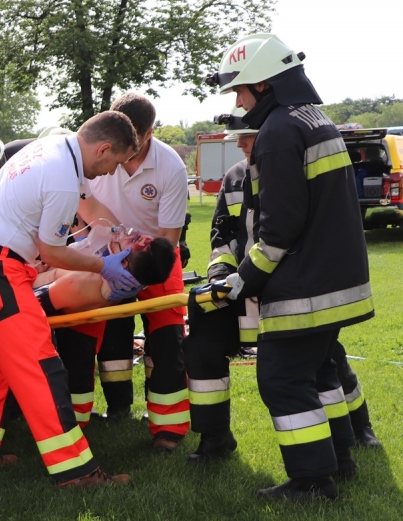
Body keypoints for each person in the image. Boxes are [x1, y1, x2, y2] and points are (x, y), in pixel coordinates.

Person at [204, 33, 375, 500]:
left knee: (280, 379)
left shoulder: (278, 133)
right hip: (333, 279)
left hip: (305, 286)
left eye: (241, 89)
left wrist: (246, 278)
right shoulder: (313, 119)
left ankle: (313, 481)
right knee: (317, 374)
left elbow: (279, 229)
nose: (238, 101)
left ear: (266, 84)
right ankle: (339, 464)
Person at [0, 110, 140, 488]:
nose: (110, 172)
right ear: (103, 148)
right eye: (115, 163)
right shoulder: (63, 178)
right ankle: (77, 473)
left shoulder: (46, 149)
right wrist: (103, 267)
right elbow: (52, 252)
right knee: (43, 370)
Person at [183, 109, 381, 465]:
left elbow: (293, 236)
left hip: (290, 292)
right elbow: (222, 236)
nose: (240, 144)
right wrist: (221, 278)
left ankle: (356, 429)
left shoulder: (292, 170)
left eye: (248, 135)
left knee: (328, 358)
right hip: (242, 290)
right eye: (238, 138)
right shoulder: (233, 179)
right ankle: (214, 438)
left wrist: (260, 279)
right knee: (200, 346)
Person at [67, 93, 191, 452]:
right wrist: (112, 244)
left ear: (149, 133)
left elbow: (168, 239)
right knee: (80, 329)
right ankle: (80, 420)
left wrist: (140, 262)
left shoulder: (170, 167)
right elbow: (82, 200)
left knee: (167, 338)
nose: (122, 148)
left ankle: (168, 428)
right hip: (104, 251)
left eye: (132, 140)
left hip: (156, 257)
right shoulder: (98, 150)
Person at [0, 232, 176, 334]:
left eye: (133, 241)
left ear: (126, 261)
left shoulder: (89, 284)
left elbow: (31, 304)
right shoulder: (107, 278)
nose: (127, 234)